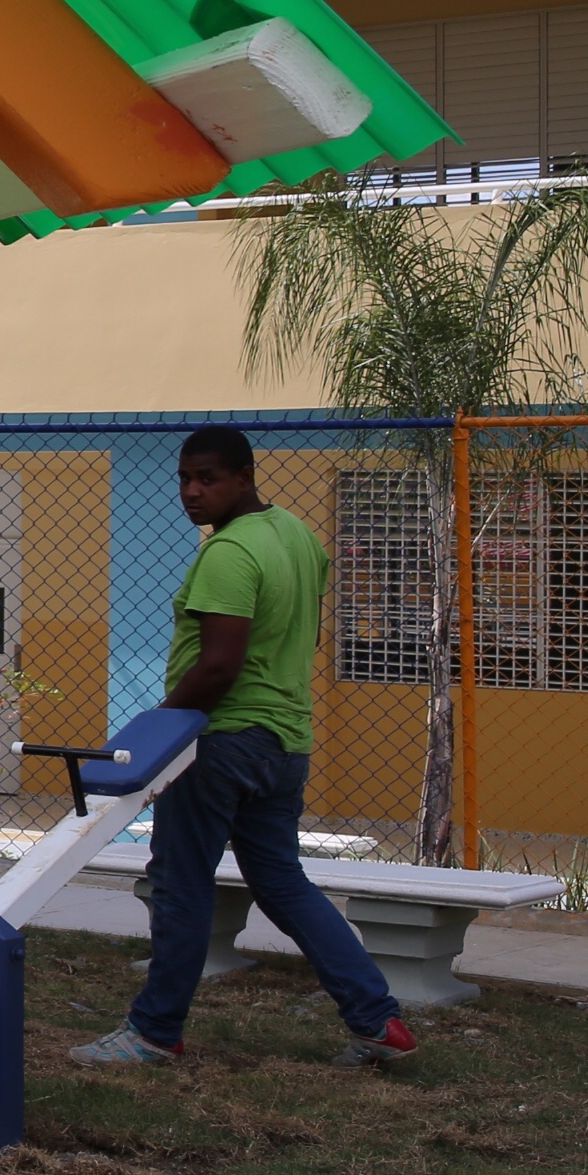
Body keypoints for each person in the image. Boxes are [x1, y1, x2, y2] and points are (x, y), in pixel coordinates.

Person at [75, 426, 412, 1068]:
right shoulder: (298, 536)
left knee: (179, 883)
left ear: (244, 478)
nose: (192, 492)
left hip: (220, 742)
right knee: (281, 881)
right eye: (184, 478)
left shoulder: (228, 552)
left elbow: (218, 666)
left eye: (208, 479)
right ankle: (377, 1020)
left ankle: (154, 1032)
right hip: (285, 742)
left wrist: (159, 729)